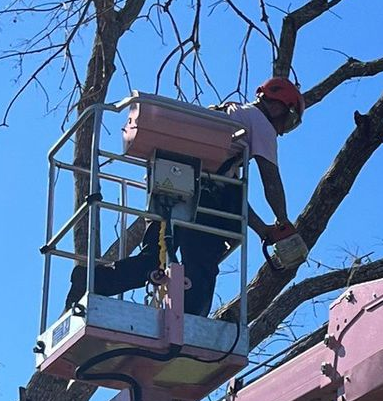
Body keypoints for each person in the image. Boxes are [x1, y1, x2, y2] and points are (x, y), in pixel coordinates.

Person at [68, 76, 306, 319]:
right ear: (278, 106)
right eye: (291, 120)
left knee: (153, 261)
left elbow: (234, 195)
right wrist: (283, 221)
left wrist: (263, 230)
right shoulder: (259, 122)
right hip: (202, 202)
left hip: (165, 187)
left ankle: (90, 281)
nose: (285, 129)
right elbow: (271, 181)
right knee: (200, 268)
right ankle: (188, 323)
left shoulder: (230, 123)